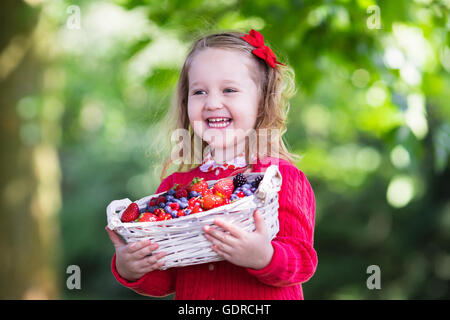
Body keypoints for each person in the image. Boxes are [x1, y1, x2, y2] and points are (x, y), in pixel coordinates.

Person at [106, 29, 318, 300]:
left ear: (262, 101)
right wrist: (132, 267)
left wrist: (265, 256)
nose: (212, 103)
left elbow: (302, 262)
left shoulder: (281, 179)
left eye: (229, 90)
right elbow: (167, 279)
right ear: (186, 102)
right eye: (199, 92)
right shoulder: (176, 187)